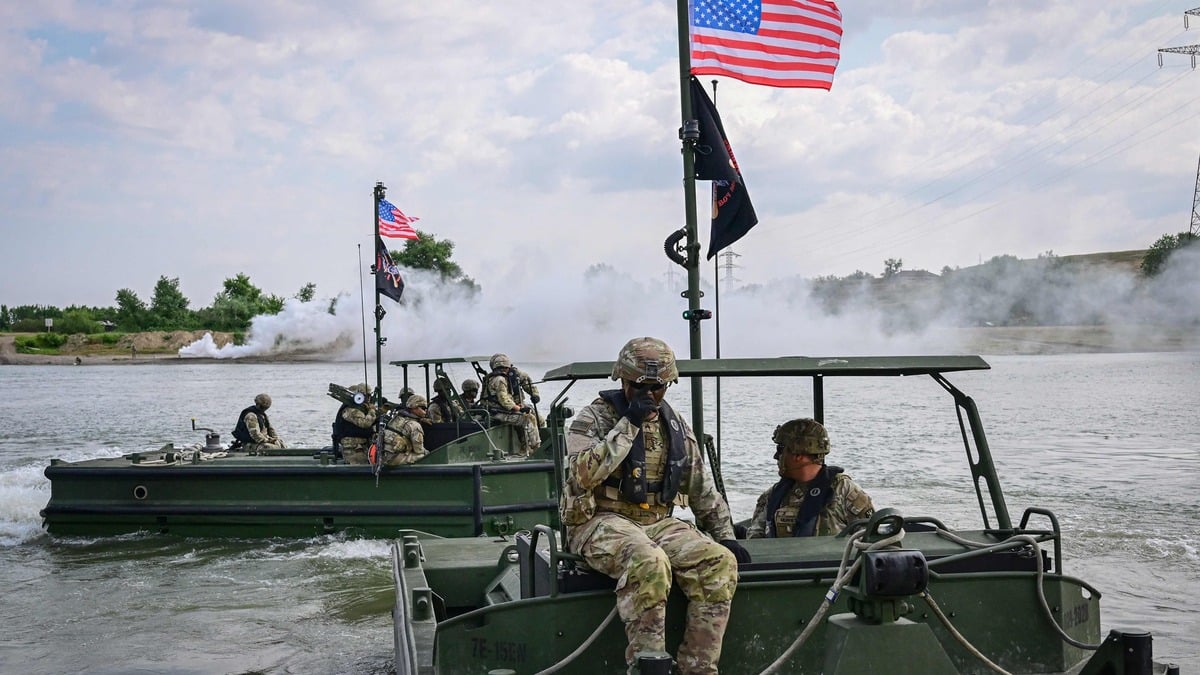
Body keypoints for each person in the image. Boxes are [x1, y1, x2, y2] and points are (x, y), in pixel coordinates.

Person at [561, 337, 749, 675]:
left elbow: (699, 482)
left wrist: (724, 534)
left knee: (719, 562)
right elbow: (583, 474)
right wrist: (628, 425)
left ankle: (698, 667)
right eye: (639, 386)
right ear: (622, 380)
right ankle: (647, 665)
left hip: (656, 521)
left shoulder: (672, 423)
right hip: (600, 521)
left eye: (658, 388)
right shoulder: (593, 419)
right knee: (648, 560)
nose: (649, 395)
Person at [745, 418, 875, 538]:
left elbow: (871, 541)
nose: (776, 456)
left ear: (798, 455)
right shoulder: (772, 497)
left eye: (780, 449)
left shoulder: (845, 492)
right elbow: (756, 542)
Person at [481, 353, 541, 455]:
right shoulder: (499, 379)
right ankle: (536, 449)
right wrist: (518, 409)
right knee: (529, 419)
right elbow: (504, 399)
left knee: (539, 419)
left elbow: (527, 382)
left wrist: (535, 395)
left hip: (505, 409)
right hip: (497, 413)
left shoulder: (512, 375)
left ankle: (528, 445)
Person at [376, 394, 429, 466]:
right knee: (424, 456)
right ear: (414, 407)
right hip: (393, 458)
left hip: (382, 456)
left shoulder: (396, 417)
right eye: (423, 408)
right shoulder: (415, 426)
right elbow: (419, 450)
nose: (425, 410)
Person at [333, 383, 377, 464]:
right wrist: (372, 410)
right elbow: (365, 423)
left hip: (360, 447)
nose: (368, 399)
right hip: (352, 450)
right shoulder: (350, 410)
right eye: (366, 396)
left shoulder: (360, 409)